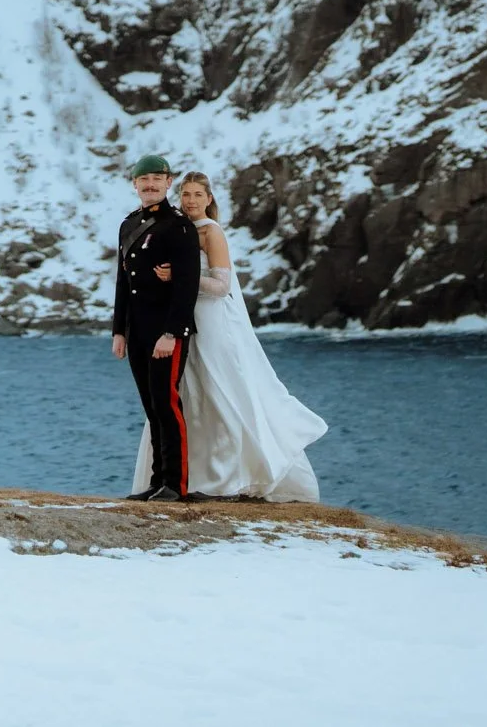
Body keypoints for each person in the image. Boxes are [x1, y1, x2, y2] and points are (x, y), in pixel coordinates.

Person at [133, 170, 327, 502]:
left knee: (220, 392)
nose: (191, 201)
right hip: (183, 320)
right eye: (185, 194)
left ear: (209, 199)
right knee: (185, 396)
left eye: (197, 194)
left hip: (212, 323)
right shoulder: (180, 230)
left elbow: (221, 287)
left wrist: (182, 275)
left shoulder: (212, 233)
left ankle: (229, 477)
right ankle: (181, 476)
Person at [111, 153, 202, 502]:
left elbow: (187, 284)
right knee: (151, 407)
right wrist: (119, 330)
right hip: (138, 331)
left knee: (167, 405)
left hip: (166, 332)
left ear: (168, 183)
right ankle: (155, 482)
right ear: (134, 184)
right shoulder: (129, 224)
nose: (149, 185)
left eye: (156, 179)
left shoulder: (178, 225)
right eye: (143, 179)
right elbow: (123, 281)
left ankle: (175, 486)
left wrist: (171, 333)